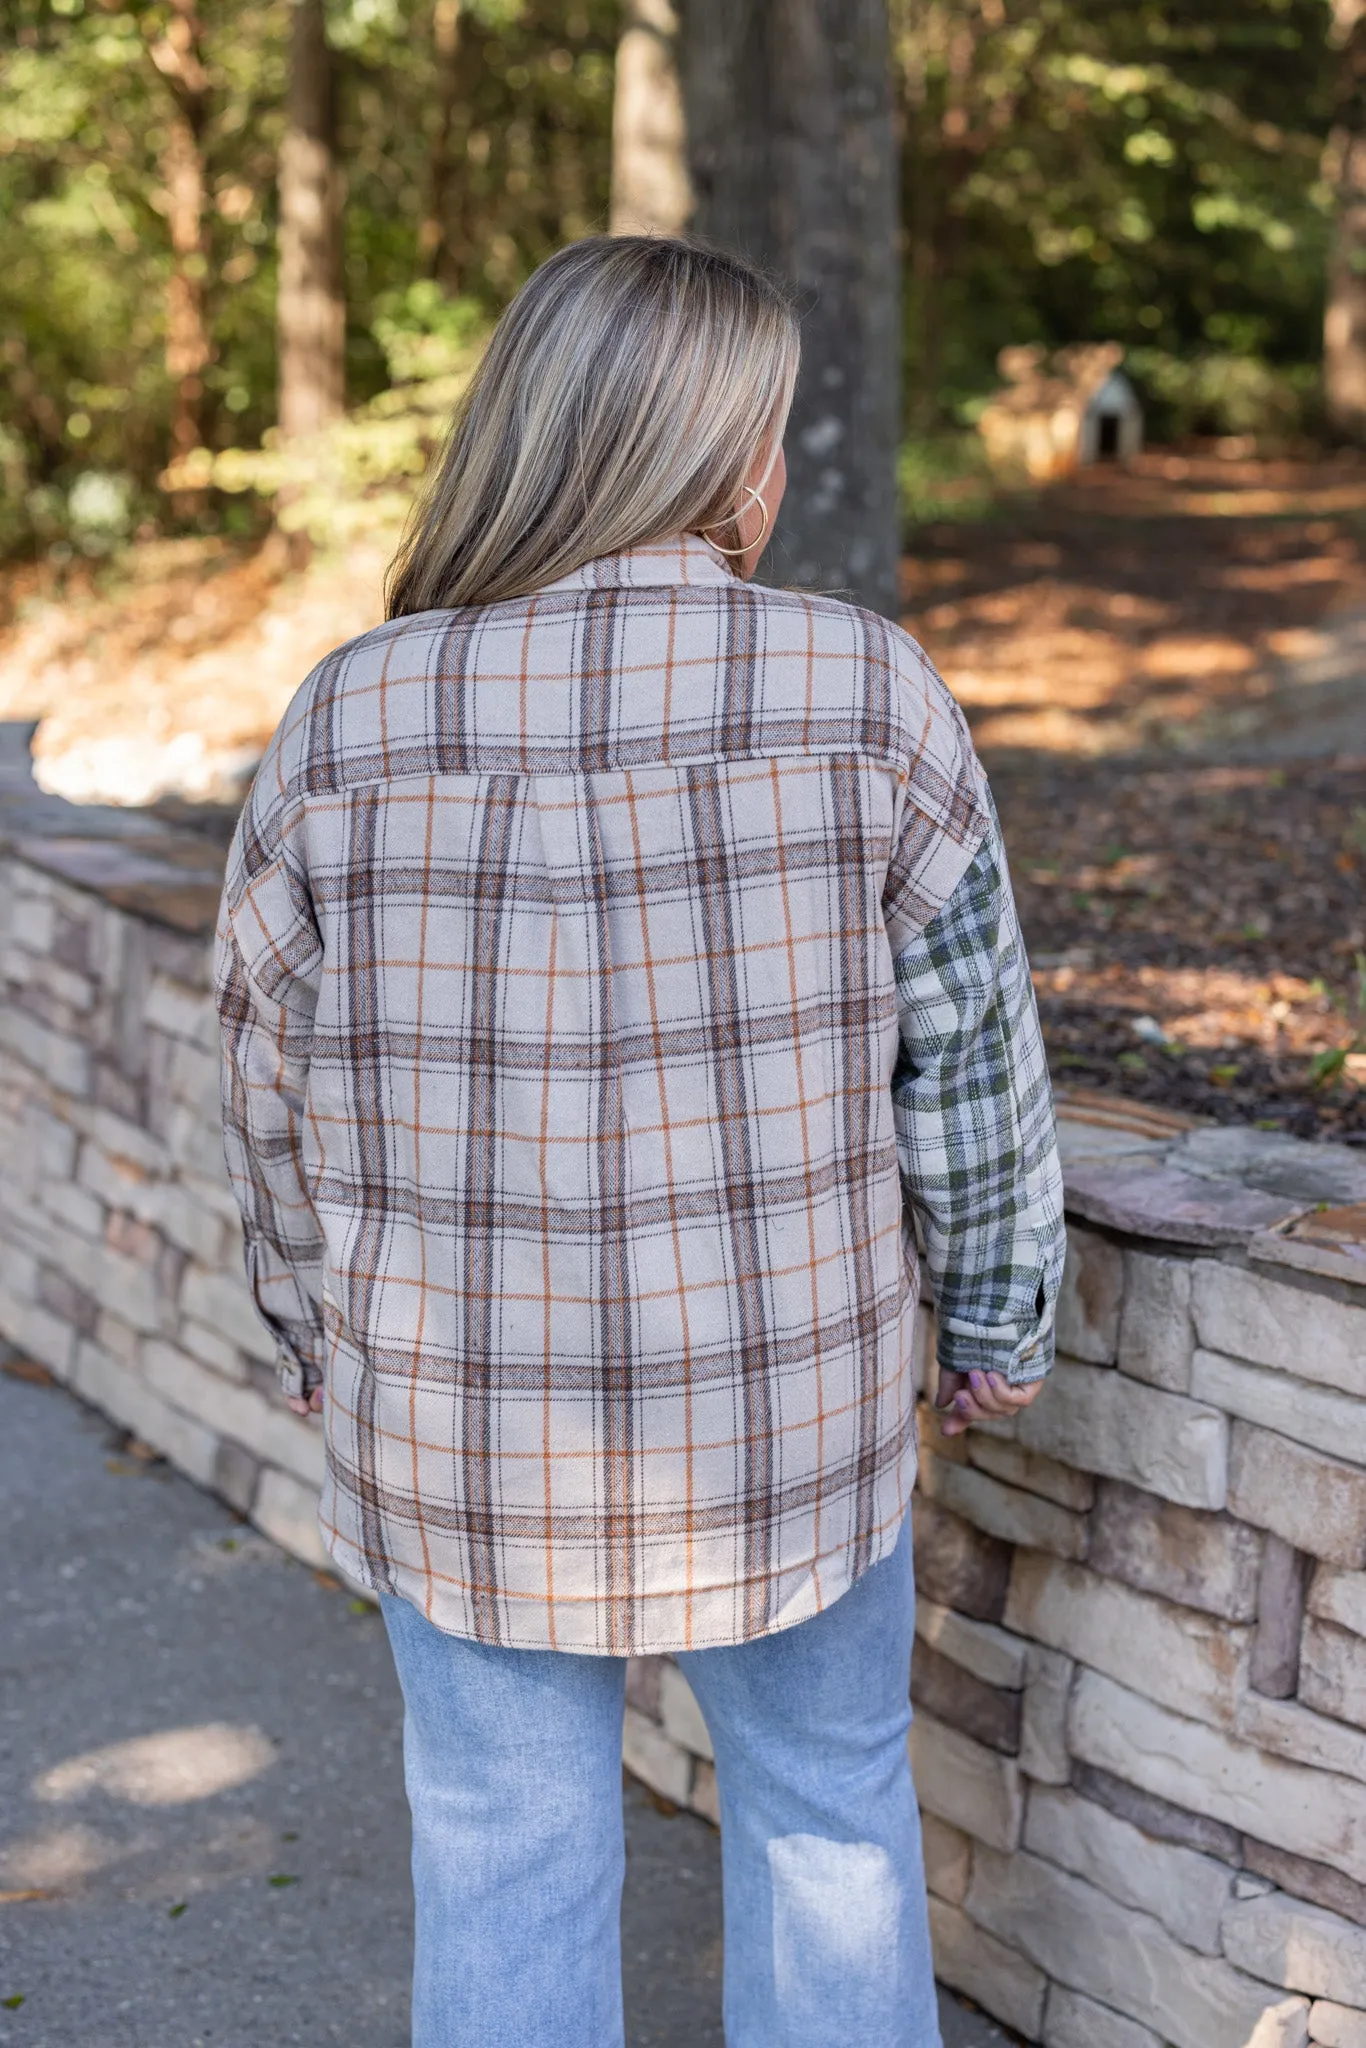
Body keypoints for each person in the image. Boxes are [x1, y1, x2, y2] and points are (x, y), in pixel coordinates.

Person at [214, 234, 1065, 2048]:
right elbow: (973, 1059)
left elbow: (261, 1076)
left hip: (461, 1425)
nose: (775, 470)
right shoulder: (865, 693)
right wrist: (995, 1322)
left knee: (505, 1847)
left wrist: (305, 1326)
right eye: (765, 430)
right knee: (827, 1818)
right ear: (697, 451)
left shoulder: (349, 717)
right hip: (790, 1413)